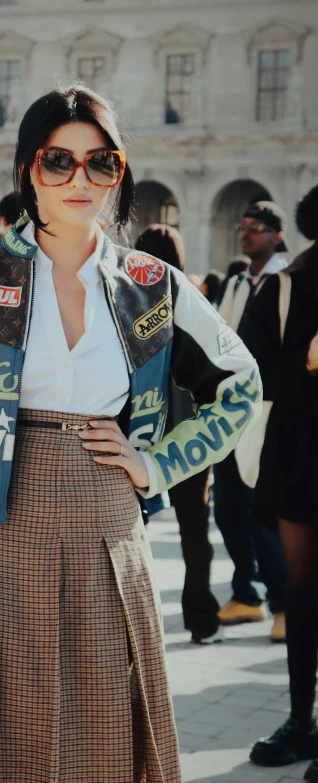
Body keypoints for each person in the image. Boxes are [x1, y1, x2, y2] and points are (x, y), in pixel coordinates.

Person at [0, 86, 261, 783]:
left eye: (101, 163)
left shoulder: (154, 285)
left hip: (107, 525)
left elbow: (241, 385)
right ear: (27, 170)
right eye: (57, 161)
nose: (79, 179)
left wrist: (156, 464)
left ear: (119, 173)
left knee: (99, 745)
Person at [245, 185, 318, 775]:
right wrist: (305, 363)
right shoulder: (287, 284)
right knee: (301, 585)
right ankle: (302, 720)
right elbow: (248, 367)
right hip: (300, 448)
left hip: (299, 446)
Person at [136, 224, 222, 644]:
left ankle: (130, 631)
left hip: (140, 433)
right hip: (187, 437)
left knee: (131, 533)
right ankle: (201, 620)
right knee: (194, 530)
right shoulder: (192, 302)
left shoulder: (124, 303)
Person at [214, 201, 288, 641]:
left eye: (256, 228)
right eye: (243, 227)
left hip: (273, 410)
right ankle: (247, 592)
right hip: (233, 409)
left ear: (277, 235)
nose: (246, 234)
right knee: (228, 508)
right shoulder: (238, 282)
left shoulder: (289, 281)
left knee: (264, 510)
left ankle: (283, 603)